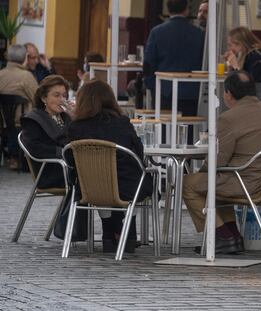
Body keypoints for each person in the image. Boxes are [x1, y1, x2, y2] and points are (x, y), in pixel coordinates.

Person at [182, 71, 261, 254]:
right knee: (216, 183)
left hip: (246, 183)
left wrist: (201, 171)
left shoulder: (229, 118)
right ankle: (233, 236)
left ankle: (221, 236)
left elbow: (218, 160)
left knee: (188, 184)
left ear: (228, 94)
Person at [67, 79, 153, 253]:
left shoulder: (75, 127)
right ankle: (128, 232)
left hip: (89, 188)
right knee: (140, 181)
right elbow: (138, 151)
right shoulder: (121, 122)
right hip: (127, 187)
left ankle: (109, 233)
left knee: (100, 183)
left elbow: (69, 158)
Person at [143, 0, 204, 117]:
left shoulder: (156, 32)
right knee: (190, 130)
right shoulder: (199, 34)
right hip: (192, 91)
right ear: (187, 9)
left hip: (164, 90)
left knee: (164, 130)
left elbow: (148, 64)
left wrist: (153, 86)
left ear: (168, 10)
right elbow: (203, 62)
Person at [20, 75, 72, 188]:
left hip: (69, 166)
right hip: (49, 169)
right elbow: (34, 148)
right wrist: (62, 152)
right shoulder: (33, 119)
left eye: (64, 95)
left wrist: (78, 117)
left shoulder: (67, 117)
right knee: (87, 177)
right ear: (44, 98)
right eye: (56, 95)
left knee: (94, 172)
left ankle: (73, 205)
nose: (62, 100)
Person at [0, 44, 38, 169]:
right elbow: (38, 98)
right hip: (21, 122)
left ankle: (13, 158)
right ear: (25, 58)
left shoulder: (1, 74)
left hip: (3, 122)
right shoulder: (26, 76)